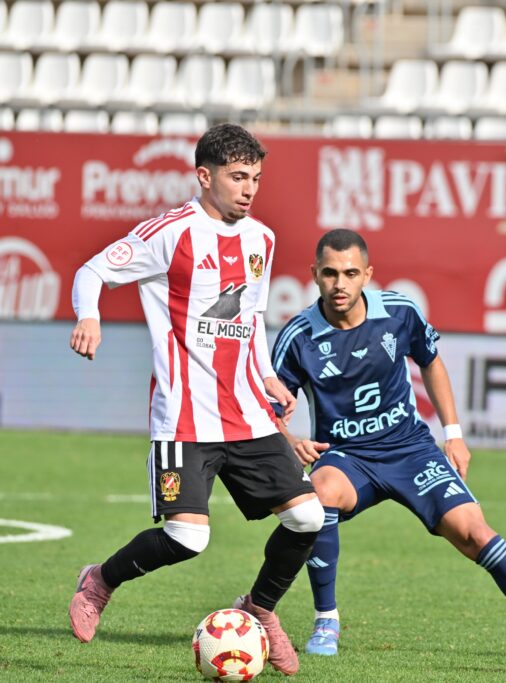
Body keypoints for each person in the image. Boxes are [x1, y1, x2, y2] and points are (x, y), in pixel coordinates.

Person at [270, 229, 506, 662]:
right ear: (314, 275)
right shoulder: (297, 337)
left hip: (411, 449)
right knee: (320, 496)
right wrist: (291, 440)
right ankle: (326, 619)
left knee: (476, 533)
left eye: (350, 273)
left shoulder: (399, 313)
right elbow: (269, 405)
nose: (340, 284)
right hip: (348, 456)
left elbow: (431, 362)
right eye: (330, 273)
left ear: (367, 274)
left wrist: (454, 434)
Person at [67, 123, 323, 676]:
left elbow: (249, 320)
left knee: (308, 517)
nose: (249, 188)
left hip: (247, 414)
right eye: (237, 177)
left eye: (255, 177)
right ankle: (99, 582)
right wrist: (90, 313)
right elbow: (92, 271)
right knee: (187, 537)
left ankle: (258, 610)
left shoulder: (263, 239)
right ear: (204, 177)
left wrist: (267, 377)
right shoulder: (171, 233)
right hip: (184, 417)